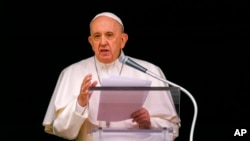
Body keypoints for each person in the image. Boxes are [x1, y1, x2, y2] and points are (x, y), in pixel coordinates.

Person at [42, 12, 181, 141]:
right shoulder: (71, 72)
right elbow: (60, 130)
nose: (103, 42)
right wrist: (80, 102)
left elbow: (172, 129)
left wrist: (149, 122)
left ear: (122, 40)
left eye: (109, 35)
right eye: (97, 36)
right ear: (91, 42)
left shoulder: (150, 71)